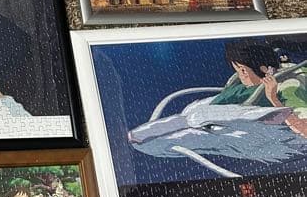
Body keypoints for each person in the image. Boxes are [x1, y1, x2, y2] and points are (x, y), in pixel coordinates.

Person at [127, 40, 307, 172]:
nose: (241, 75)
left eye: (242, 70)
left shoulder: (290, 87)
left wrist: (274, 99)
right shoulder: (241, 82)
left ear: (263, 69)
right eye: (238, 70)